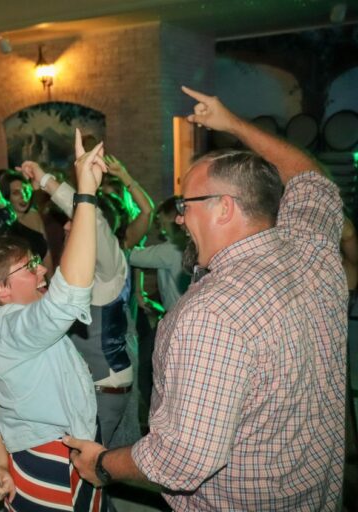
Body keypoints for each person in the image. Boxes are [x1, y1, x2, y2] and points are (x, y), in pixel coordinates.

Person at [65, 86, 347, 511]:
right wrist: (232, 123)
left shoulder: (212, 314)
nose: (178, 218)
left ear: (224, 209)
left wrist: (102, 464)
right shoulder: (313, 250)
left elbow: (182, 461)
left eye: (185, 204)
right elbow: (312, 178)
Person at [0, 129, 105, 510]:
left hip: (60, 453)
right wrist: (86, 195)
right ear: (1, 290)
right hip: (49, 460)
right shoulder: (11, 328)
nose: (41, 272)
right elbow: (67, 295)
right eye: (29, 268)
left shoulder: (8, 326)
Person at [19, 160, 130, 447]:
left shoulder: (109, 268)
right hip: (83, 388)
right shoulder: (69, 272)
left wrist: (45, 180)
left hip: (103, 390)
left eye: (73, 218)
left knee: (90, 469)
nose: (67, 225)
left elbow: (91, 220)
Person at [0, 170, 53, 271]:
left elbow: (47, 253)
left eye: (25, 190)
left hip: (42, 279)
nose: (23, 197)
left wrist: (51, 281)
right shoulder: (3, 223)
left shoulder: (34, 215)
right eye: (16, 193)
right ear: (7, 197)